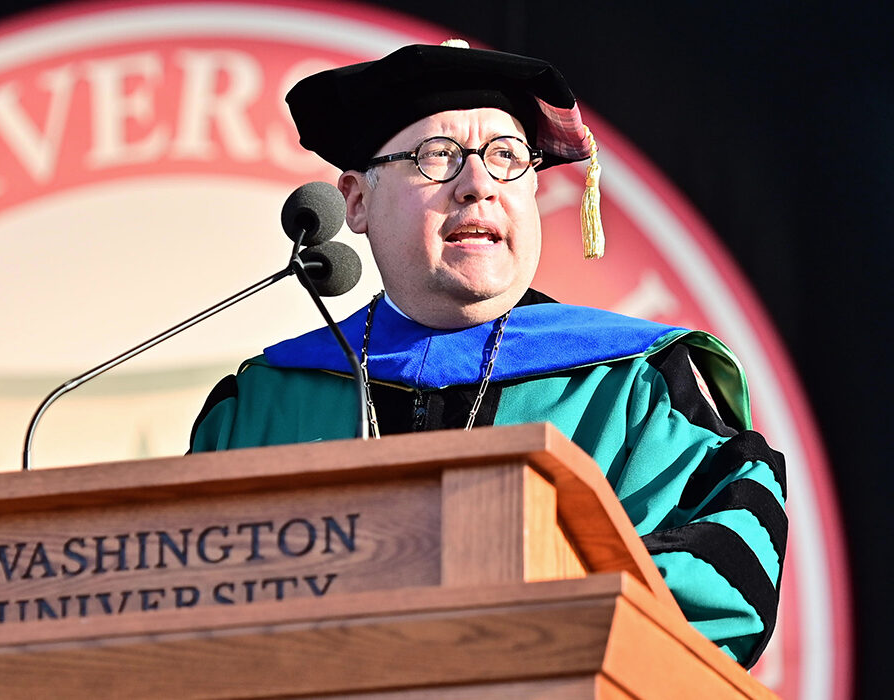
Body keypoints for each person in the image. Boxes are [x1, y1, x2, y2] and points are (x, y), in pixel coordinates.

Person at [189, 42, 785, 668]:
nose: (478, 186)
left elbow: (718, 592)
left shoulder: (638, 388)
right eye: (437, 157)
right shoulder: (263, 404)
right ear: (357, 201)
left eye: (506, 157)